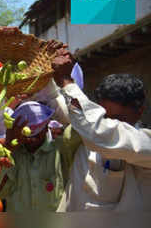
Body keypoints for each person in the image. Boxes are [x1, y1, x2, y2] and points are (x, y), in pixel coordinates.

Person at [52, 47, 151, 211]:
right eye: (105, 117)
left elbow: (99, 131)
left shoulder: (145, 144)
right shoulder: (87, 132)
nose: (110, 123)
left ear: (139, 112)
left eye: (118, 118)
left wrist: (66, 81)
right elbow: (58, 105)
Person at [0, 100, 81, 212]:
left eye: (37, 132)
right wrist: (8, 146)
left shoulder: (61, 149)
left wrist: (52, 103)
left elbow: (78, 129)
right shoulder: (12, 155)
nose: (31, 139)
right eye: (27, 135)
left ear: (46, 127)